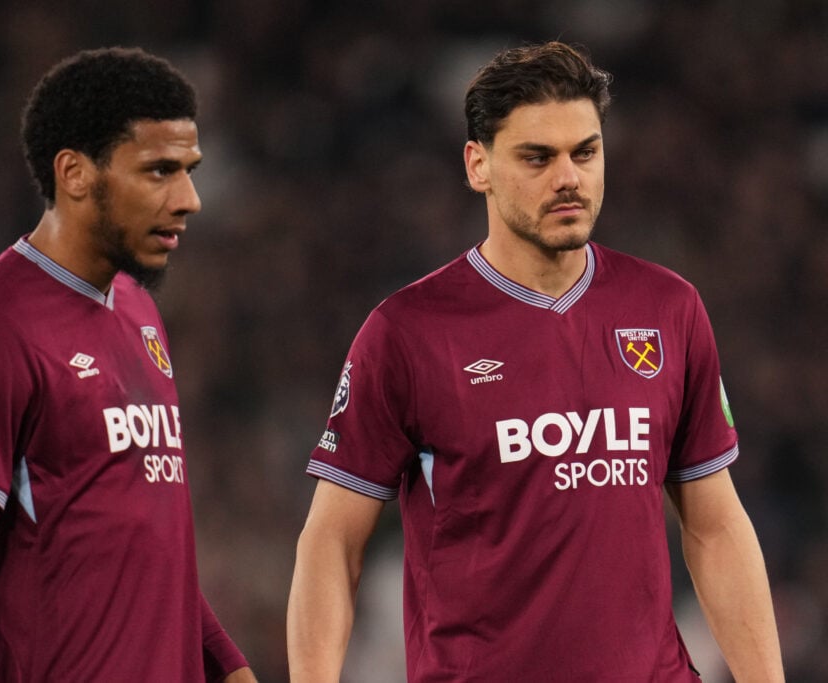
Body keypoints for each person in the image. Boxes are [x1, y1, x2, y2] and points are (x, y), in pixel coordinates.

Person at [286, 41, 784, 682]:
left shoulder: (669, 308)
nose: (569, 177)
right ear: (477, 165)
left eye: (586, 152)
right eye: (537, 158)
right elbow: (332, 543)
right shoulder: (407, 333)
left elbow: (715, 527)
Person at [0, 47, 257, 682]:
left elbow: (145, 546)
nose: (190, 199)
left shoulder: (138, 309)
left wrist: (229, 666)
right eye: (159, 171)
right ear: (75, 172)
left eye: (189, 170)